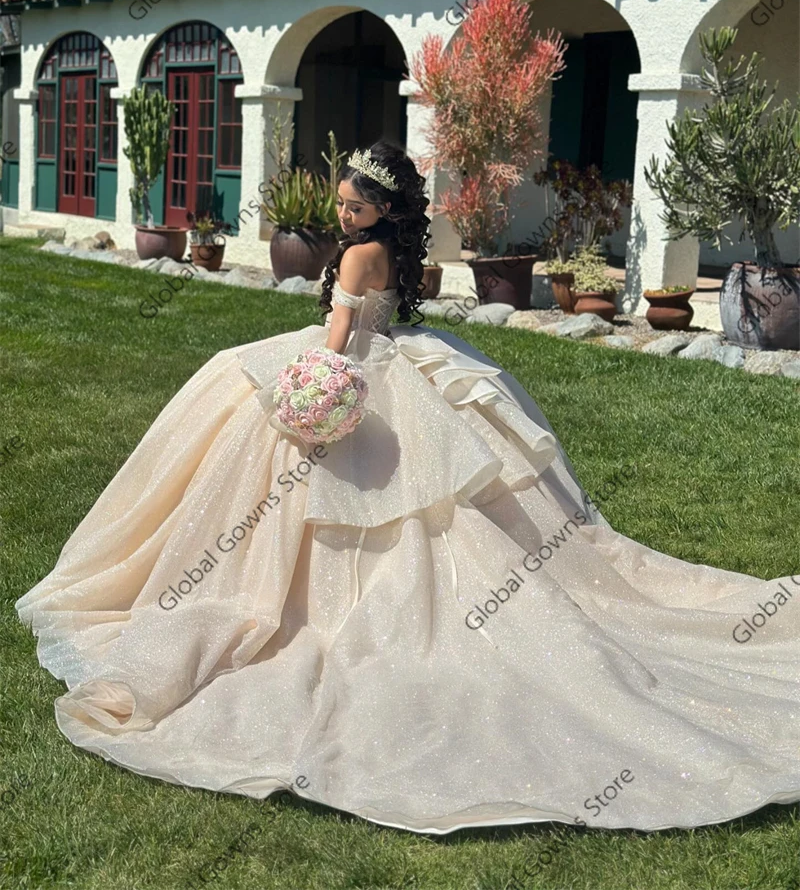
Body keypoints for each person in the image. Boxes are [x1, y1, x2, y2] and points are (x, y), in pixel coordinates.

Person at [16, 141, 799, 836]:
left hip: (349, 372)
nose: (339, 209)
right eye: (341, 198)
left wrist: (312, 391)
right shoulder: (391, 248)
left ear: (381, 209)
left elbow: (336, 345)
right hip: (402, 358)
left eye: (352, 202)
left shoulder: (358, 256)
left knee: (267, 431)